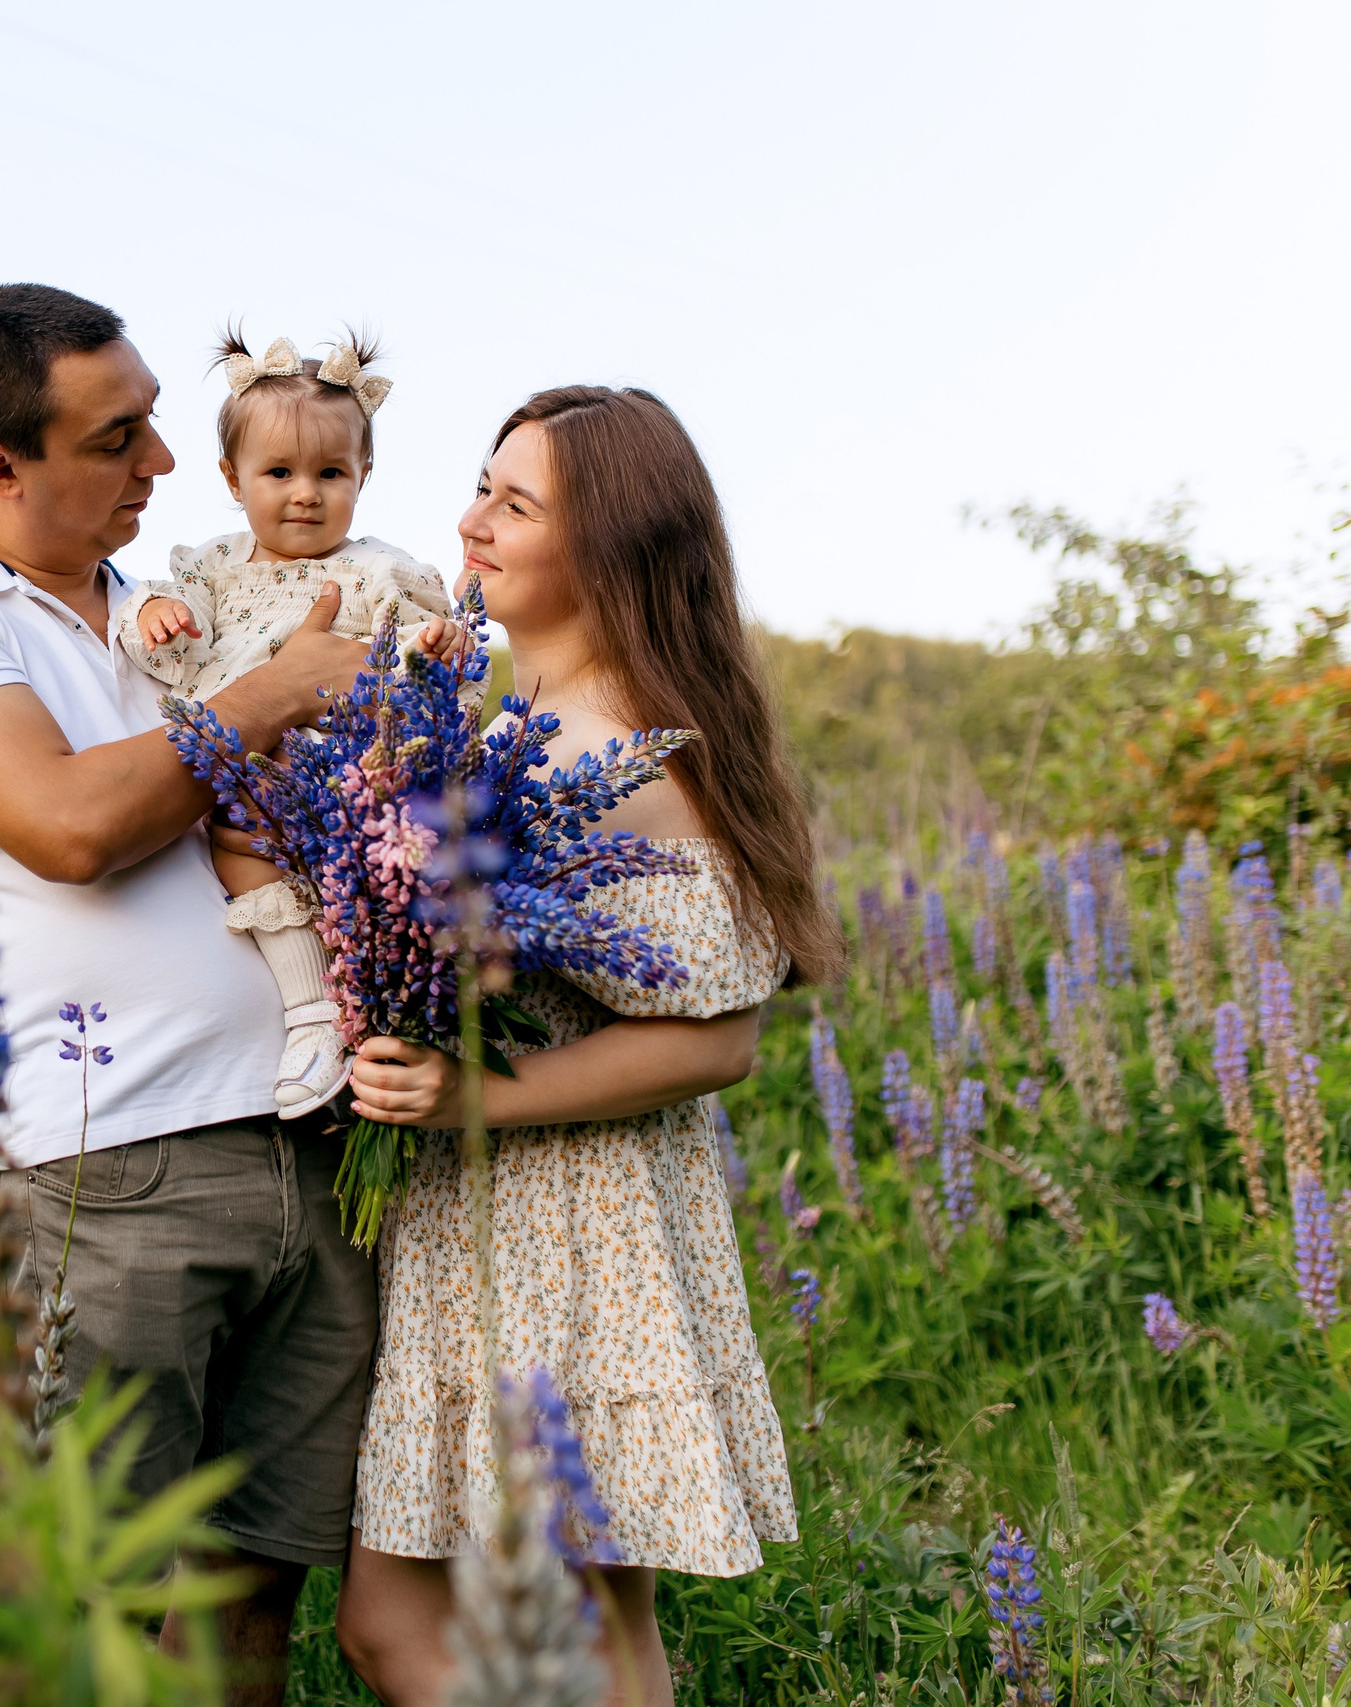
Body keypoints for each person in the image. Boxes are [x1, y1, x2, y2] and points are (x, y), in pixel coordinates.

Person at [0, 284, 375, 1707]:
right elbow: (70, 825)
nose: (164, 464)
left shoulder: (176, 607)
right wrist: (267, 696)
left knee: (253, 1593)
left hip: (313, 1146)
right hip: (108, 1163)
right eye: (120, 436)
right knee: (97, 1598)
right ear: (1, 466)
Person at [327, 387, 845, 1707]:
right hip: (482, 1225)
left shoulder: (629, 750)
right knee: (447, 1622)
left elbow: (716, 1037)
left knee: (558, 1627)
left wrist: (460, 1099)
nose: (471, 520)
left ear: (607, 545)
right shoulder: (508, 730)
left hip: (578, 1229)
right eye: (481, 487)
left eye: (516, 500)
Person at [118, 328, 473, 1116]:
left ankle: (380, 1003)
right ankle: (312, 1013)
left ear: (365, 475)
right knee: (241, 847)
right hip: (247, 774)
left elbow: (412, 660)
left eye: (330, 472)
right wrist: (155, 611)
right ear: (232, 479)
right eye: (278, 472)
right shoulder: (211, 567)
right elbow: (163, 642)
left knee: (380, 876)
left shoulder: (378, 569)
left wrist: (433, 647)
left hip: (348, 772)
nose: (305, 492)